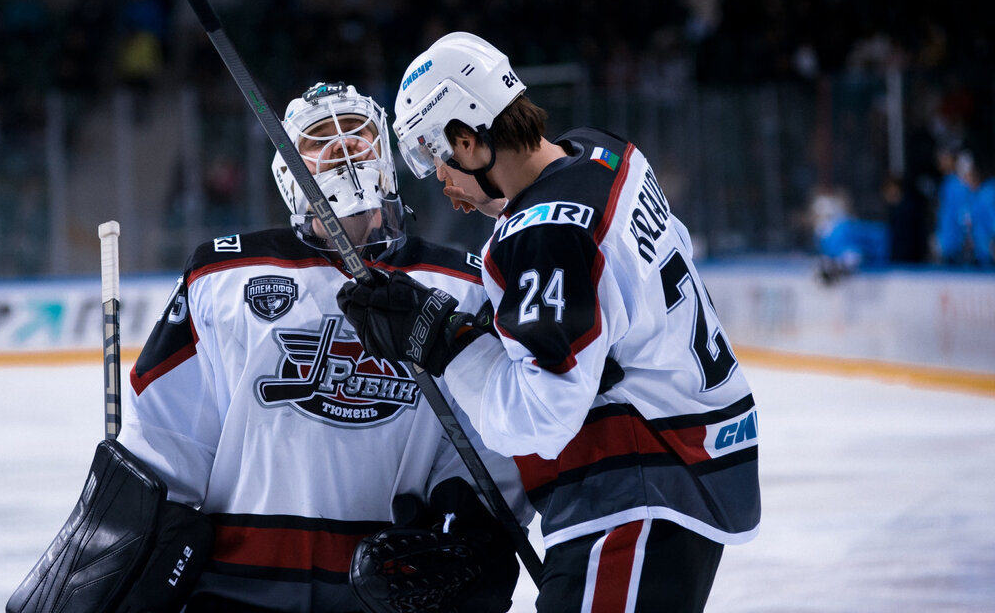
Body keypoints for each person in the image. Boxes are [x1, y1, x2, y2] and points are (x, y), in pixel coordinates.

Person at [338, 33, 761, 612]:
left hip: (639, 489)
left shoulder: (543, 233)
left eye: (439, 160)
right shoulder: (603, 152)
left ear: (468, 140)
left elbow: (541, 418)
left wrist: (440, 342)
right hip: (681, 460)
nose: (441, 181)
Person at [113, 82, 531, 612]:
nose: (343, 145)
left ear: (388, 157)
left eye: (358, 134)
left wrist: (466, 537)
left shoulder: (462, 285)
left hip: (386, 594)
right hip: (235, 591)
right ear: (288, 171)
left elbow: (488, 447)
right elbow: (166, 440)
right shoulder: (222, 275)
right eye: (318, 138)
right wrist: (129, 537)